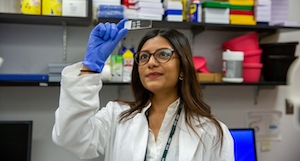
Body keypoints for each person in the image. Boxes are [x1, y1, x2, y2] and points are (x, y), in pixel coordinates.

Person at [52, 18, 235, 161]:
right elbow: (70, 137)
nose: (152, 63)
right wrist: (90, 67)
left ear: (182, 68)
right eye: (144, 56)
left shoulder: (212, 132)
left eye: (163, 54)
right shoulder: (117, 116)